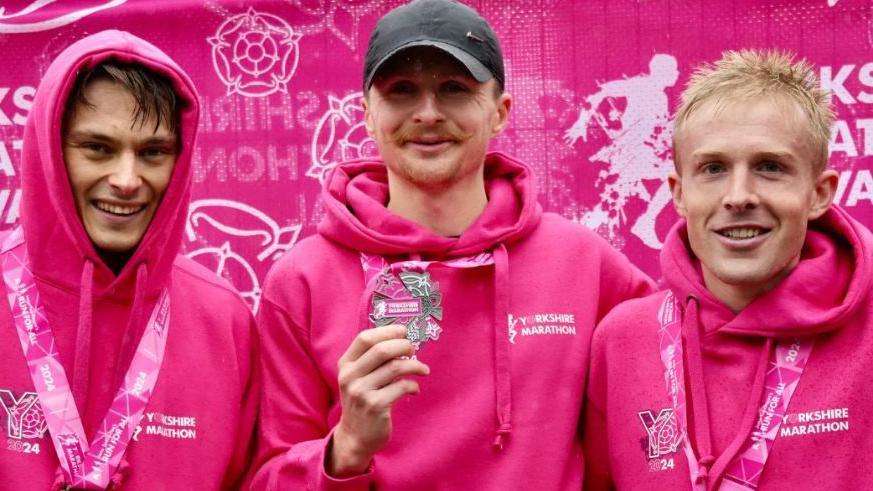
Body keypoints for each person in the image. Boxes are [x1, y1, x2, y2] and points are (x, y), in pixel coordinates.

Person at [252, 0, 653, 489]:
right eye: (401, 91)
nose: (427, 113)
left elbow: (654, 429)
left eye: (455, 90)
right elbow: (268, 476)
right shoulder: (300, 280)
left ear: (501, 111)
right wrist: (347, 449)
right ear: (367, 114)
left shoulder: (586, 264)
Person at [583, 49, 873, 490]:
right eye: (714, 168)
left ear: (819, 193)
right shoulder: (621, 340)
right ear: (679, 194)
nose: (738, 196)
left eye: (769, 167)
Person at [0, 31, 258, 489]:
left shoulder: (225, 320)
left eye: (152, 153)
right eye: (97, 148)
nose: (126, 179)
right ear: (50, 151)